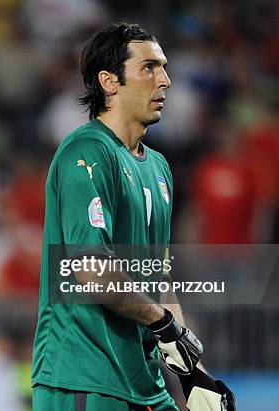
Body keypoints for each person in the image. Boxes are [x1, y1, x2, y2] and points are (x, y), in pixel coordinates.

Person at [32, 22, 213, 411]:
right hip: (84, 377)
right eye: (149, 68)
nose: (164, 80)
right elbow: (90, 267)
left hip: (143, 382)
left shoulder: (160, 167)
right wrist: (161, 321)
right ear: (109, 82)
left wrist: (192, 374)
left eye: (164, 67)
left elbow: (158, 277)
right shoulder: (86, 152)